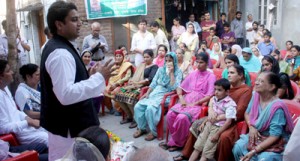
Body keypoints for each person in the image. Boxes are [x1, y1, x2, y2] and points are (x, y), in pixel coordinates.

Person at [40, 2, 114, 160]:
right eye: (74, 20)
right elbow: (66, 94)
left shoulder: (60, 46)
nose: (80, 23)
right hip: (68, 129)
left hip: (67, 126)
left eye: (79, 19)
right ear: (59, 24)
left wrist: (89, 75)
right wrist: (100, 77)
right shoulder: (60, 52)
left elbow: (67, 83)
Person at [173, 64, 252, 161]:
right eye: (228, 73)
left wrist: (219, 117)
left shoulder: (246, 90)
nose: (229, 75)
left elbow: (239, 112)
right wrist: (210, 111)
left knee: (224, 137)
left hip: (230, 121)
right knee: (197, 124)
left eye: (232, 73)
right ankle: (187, 154)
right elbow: (212, 99)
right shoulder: (226, 86)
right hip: (214, 118)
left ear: (240, 75)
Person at [159, 53, 215, 151]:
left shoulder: (211, 76)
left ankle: (178, 143)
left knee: (182, 117)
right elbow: (180, 87)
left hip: (199, 103)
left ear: (207, 63)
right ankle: (176, 141)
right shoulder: (193, 73)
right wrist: (181, 98)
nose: (198, 64)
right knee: (170, 114)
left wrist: (196, 103)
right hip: (186, 100)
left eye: (201, 62)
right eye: (197, 62)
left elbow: (209, 95)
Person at [233, 72, 294, 161]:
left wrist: (255, 150)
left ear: (272, 87)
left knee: (264, 158)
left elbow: (275, 136)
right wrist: (251, 127)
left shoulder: (277, 107)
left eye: (261, 81)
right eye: (257, 80)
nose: (256, 83)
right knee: (238, 147)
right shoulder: (256, 96)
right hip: (257, 134)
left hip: (273, 140)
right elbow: (247, 113)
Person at [133, 52, 183, 141]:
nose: (168, 63)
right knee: (138, 106)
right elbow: (154, 82)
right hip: (156, 92)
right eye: (166, 61)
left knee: (150, 108)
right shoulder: (160, 70)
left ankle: (153, 132)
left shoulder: (178, 72)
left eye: (170, 61)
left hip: (167, 94)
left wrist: (171, 73)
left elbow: (174, 87)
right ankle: (141, 128)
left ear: (174, 61)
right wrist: (147, 93)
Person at [0, 60, 48, 145]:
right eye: (8, 71)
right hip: (21, 133)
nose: (12, 72)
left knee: (56, 131)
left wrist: (28, 119)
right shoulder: (21, 92)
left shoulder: (6, 89)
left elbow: (15, 112)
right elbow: (3, 127)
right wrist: (29, 122)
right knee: (49, 138)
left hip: (28, 126)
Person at [189, 78, 237, 161]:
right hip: (209, 125)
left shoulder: (230, 104)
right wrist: (204, 122)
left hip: (217, 128)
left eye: (219, 90)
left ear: (227, 92)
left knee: (205, 152)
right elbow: (211, 113)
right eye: (215, 89)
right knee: (197, 147)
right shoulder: (214, 99)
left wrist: (217, 134)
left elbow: (228, 122)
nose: (216, 92)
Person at [115, 49, 158, 128]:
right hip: (135, 85)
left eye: (147, 57)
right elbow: (135, 75)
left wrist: (138, 83)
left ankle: (136, 119)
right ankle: (129, 116)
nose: (145, 59)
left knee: (130, 97)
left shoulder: (154, 67)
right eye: (144, 57)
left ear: (152, 57)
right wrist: (132, 81)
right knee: (118, 95)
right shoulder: (142, 65)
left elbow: (150, 79)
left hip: (144, 87)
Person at [104, 49, 133, 115]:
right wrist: (111, 84)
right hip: (112, 83)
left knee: (115, 92)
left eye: (120, 56)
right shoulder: (114, 65)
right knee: (105, 91)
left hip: (123, 84)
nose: (118, 57)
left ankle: (120, 109)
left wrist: (117, 83)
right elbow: (110, 77)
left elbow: (127, 77)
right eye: (116, 56)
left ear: (123, 57)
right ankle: (110, 108)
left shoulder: (127, 65)